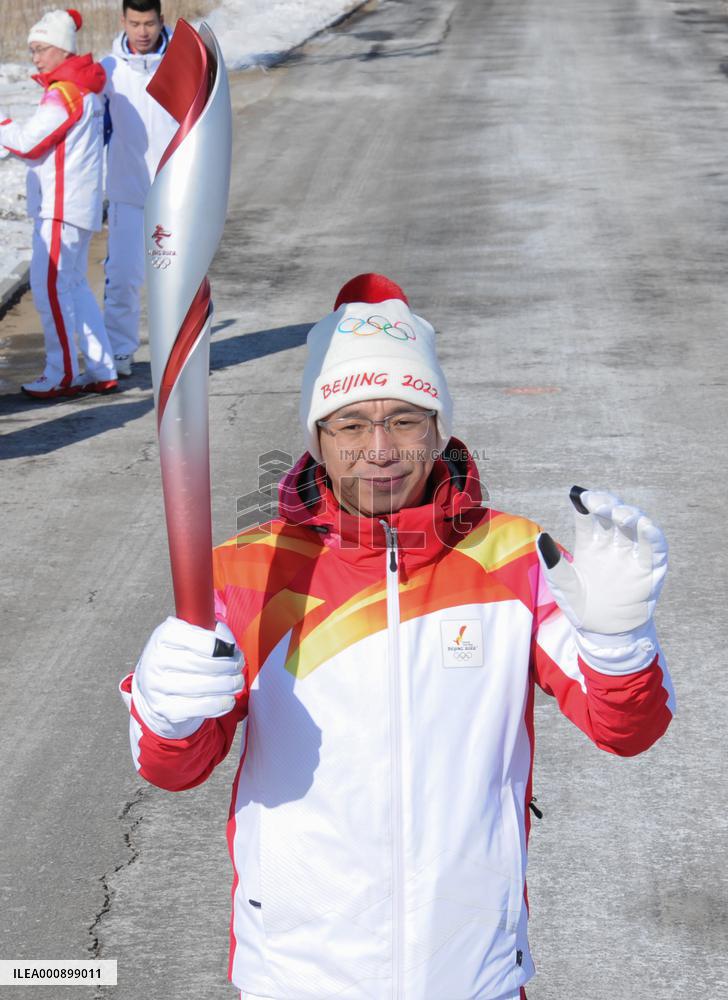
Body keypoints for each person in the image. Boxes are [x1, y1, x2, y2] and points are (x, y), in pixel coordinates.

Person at [120, 273, 675, 999]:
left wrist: (619, 641)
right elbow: (175, 768)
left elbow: (625, 731)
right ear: (317, 436)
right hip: (299, 972)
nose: (379, 448)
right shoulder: (248, 572)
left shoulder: (514, 558)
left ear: (439, 427)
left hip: (471, 968)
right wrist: (164, 710)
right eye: (351, 423)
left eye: (406, 418)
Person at [0, 8, 117, 399]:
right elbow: (43, 150)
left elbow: (29, 144)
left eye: (39, 49)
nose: (34, 58)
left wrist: (2, 123)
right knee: (72, 286)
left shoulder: (65, 91)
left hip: (60, 208)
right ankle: (102, 368)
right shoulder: (84, 87)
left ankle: (61, 372)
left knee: (50, 290)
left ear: (61, 49)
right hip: (76, 206)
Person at [101, 0, 176, 378]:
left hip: (175, 194)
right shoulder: (108, 70)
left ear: (162, 21)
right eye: (134, 23)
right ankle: (119, 352)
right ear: (123, 22)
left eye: (149, 23)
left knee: (175, 277)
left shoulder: (183, 62)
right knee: (124, 276)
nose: (142, 32)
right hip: (127, 193)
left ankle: (177, 353)